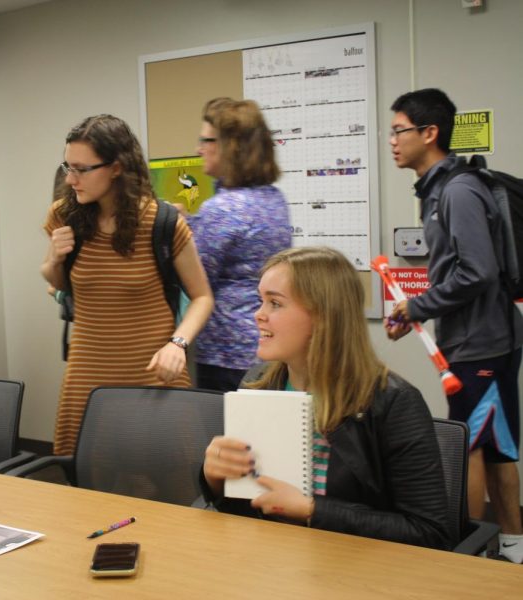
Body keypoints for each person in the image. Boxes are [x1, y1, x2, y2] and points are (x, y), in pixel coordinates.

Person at [201, 247, 453, 550]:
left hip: (357, 569)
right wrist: (216, 480)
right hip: (272, 560)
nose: (259, 314)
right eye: (261, 301)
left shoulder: (393, 402)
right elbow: (246, 511)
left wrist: (312, 511)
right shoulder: (258, 385)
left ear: (323, 316)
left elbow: (429, 533)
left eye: (275, 303)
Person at [385, 88, 523, 561]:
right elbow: (457, 272)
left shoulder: (458, 190)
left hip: (481, 344)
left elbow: (477, 271)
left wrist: (418, 306)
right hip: (481, 340)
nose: (392, 140)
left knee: (470, 448)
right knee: (497, 445)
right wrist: (416, 310)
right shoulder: (440, 190)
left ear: (430, 132)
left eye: (399, 129)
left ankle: (463, 555)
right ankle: (512, 546)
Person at [41, 114, 214, 455]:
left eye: (82, 169)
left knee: (165, 479)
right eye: (67, 167)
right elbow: (62, 284)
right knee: (89, 483)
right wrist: (53, 261)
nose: (71, 179)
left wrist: (178, 344)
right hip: (88, 373)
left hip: (154, 374)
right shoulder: (64, 215)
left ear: (116, 168)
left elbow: (202, 297)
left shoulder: (162, 222)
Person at [190, 97, 291, 392]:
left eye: (206, 140)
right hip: (266, 346)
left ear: (230, 146)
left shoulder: (222, 208)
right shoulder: (274, 199)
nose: (199, 148)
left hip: (225, 355)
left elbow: (196, 281)